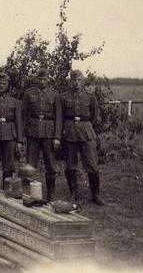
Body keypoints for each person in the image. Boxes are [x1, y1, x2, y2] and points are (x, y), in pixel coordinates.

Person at [60, 70, 105, 206]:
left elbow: (94, 116)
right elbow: (60, 116)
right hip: (70, 132)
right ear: (70, 82)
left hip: (86, 132)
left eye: (79, 80)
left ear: (83, 81)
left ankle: (95, 194)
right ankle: (73, 193)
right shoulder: (63, 98)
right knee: (70, 165)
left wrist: (86, 127)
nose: (76, 83)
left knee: (91, 163)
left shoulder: (90, 97)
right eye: (74, 80)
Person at [20, 68, 62, 201]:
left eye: (45, 79)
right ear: (36, 79)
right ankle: (28, 193)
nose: (42, 81)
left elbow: (58, 117)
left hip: (48, 134)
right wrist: (22, 135)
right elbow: (23, 115)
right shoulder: (29, 93)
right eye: (40, 79)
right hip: (33, 133)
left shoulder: (54, 95)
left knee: (50, 164)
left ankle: (51, 194)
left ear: (49, 80)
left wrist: (57, 137)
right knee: (30, 165)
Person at [0, 72, 23, 189]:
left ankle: (7, 194)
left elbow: (18, 122)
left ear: (8, 85)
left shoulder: (14, 102)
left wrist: (19, 141)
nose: (1, 86)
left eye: (4, 83)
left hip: (10, 136)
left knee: (9, 167)